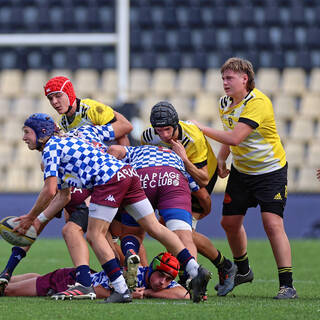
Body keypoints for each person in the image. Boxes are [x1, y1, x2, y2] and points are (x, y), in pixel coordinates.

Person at [14, 113, 211, 303]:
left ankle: (120, 289)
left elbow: (49, 190)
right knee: (154, 227)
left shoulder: (50, 148)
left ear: (41, 132)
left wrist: (31, 217)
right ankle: (195, 270)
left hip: (108, 180)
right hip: (128, 173)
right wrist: (36, 219)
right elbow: (63, 195)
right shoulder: (66, 143)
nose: (24, 138)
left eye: (27, 132)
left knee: (94, 235)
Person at [192, 57, 297, 299]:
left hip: (270, 171)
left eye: (229, 78)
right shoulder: (224, 103)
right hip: (242, 171)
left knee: (272, 224)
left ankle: (287, 285)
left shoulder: (258, 102)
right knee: (228, 223)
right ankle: (243, 270)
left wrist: (200, 127)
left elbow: (236, 137)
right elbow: (230, 134)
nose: (225, 83)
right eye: (223, 79)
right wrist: (221, 158)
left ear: (244, 79)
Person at [0, 120, 130, 292]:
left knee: (88, 234)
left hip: (104, 191)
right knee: (98, 237)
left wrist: (106, 113)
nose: (23, 138)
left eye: (26, 132)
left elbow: (125, 127)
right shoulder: (61, 180)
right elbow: (41, 221)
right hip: (104, 192)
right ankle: (113, 278)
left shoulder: (68, 153)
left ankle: (95, 282)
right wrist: (8, 271)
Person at [141, 101, 237, 296]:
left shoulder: (192, 138)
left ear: (176, 124)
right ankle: (223, 266)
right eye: (159, 130)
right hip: (171, 180)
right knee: (173, 231)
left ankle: (191, 278)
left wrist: (184, 159)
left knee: (181, 233)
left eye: (167, 129)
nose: (164, 136)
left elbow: (202, 178)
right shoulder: (148, 137)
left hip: (201, 176)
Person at [107, 144, 203, 290]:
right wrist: (205, 209)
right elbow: (200, 188)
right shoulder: (175, 155)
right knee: (183, 235)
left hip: (141, 175)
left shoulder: (136, 149)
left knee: (132, 233)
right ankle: (191, 278)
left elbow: (114, 150)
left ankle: (130, 252)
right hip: (172, 176)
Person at [3, 252, 189, 301]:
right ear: (153, 269)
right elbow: (97, 291)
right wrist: (129, 294)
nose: (163, 282)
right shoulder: (132, 273)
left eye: (168, 280)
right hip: (68, 281)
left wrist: (148, 292)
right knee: (8, 291)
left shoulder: (152, 282)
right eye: (161, 276)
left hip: (82, 275)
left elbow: (185, 294)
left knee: (37, 279)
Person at [44, 76, 132, 146]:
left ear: (69, 94)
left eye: (58, 95)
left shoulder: (92, 108)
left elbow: (125, 129)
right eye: (50, 98)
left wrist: (123, 164)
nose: (54, 102)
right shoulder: (63, 123)